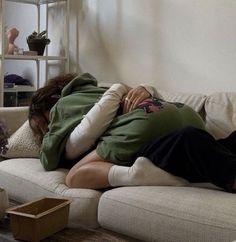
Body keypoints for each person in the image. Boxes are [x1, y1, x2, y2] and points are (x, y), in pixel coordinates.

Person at [29, 73, 236, 193]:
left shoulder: (66, 105)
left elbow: (60, 162)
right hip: (185, 121)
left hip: (150, 128)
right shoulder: (100, 93)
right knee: (194, 143)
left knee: (74, 177)